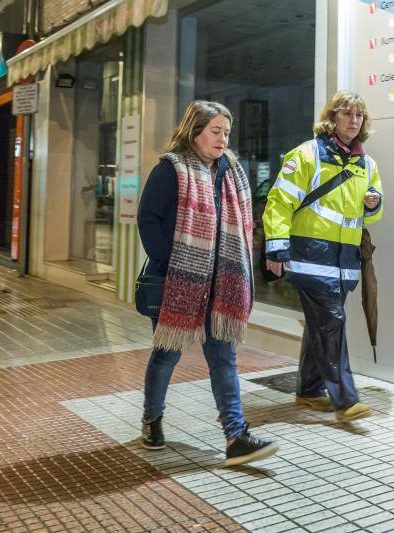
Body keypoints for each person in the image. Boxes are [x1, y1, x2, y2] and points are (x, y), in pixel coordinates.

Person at [137, 100, 278, 466]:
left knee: (224, 358)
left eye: (226, 132)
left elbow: (244, 224)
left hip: (221, 282)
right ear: (194, 130)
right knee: (167, 353)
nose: (222, 138)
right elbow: (148, 219)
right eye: (215, 131)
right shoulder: (171, 170)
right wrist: (173, 265)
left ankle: (236, 436)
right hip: (181, 279)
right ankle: (152, 419)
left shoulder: (231, 171)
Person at [262, 90, 384, 422]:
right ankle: (345, 399)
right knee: (332, 322)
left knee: (322, 325)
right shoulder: (305, 155)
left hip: (345, 261)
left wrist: (372, 203)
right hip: (310, 258)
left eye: (359, 115)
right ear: (331, 118)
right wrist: (276, 246)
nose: (353, 120)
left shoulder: (366, 164)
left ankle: (309, 390)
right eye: (346, 113)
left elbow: (368, 216)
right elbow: (278, 202)